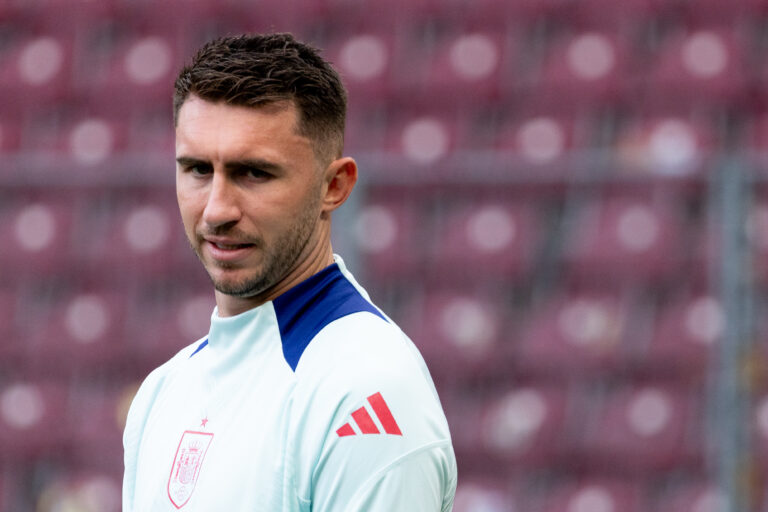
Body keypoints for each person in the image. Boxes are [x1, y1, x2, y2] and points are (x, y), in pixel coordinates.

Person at [122, 33, 457, 511]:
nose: (217, 210)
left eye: (253, 173)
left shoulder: (365, 391)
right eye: (197, 169)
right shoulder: (162, 392)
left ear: (334, 186)